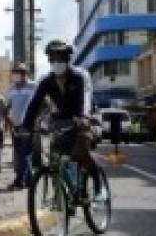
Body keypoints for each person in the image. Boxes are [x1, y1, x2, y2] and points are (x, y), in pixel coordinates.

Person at [19, 39, 100, 193]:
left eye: (61, 57)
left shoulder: (80, 76)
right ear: (49, 60)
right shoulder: (46, 81)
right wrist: (25, 125)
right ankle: (62, 192)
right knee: (52, 156)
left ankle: (96, 183)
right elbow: (34, 103)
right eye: (53, 58)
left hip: (83, 118)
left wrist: (83, 117)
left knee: (82, 151)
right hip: (60, 121)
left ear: (68, 58)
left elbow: (86, 98)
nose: (57, 61)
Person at [4, 62, 37, 190]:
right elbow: (6, 107)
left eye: (21, 72)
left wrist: (35, 120)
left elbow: (43, 103)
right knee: (20, 154)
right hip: (15, 126)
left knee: (25, 153)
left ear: (26, 73)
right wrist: (9, 124)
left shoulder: (33, 86)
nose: (18, 74)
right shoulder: (11, 88)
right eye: (16, 72)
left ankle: (19, 181)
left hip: (28, 125)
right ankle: (29, 180)